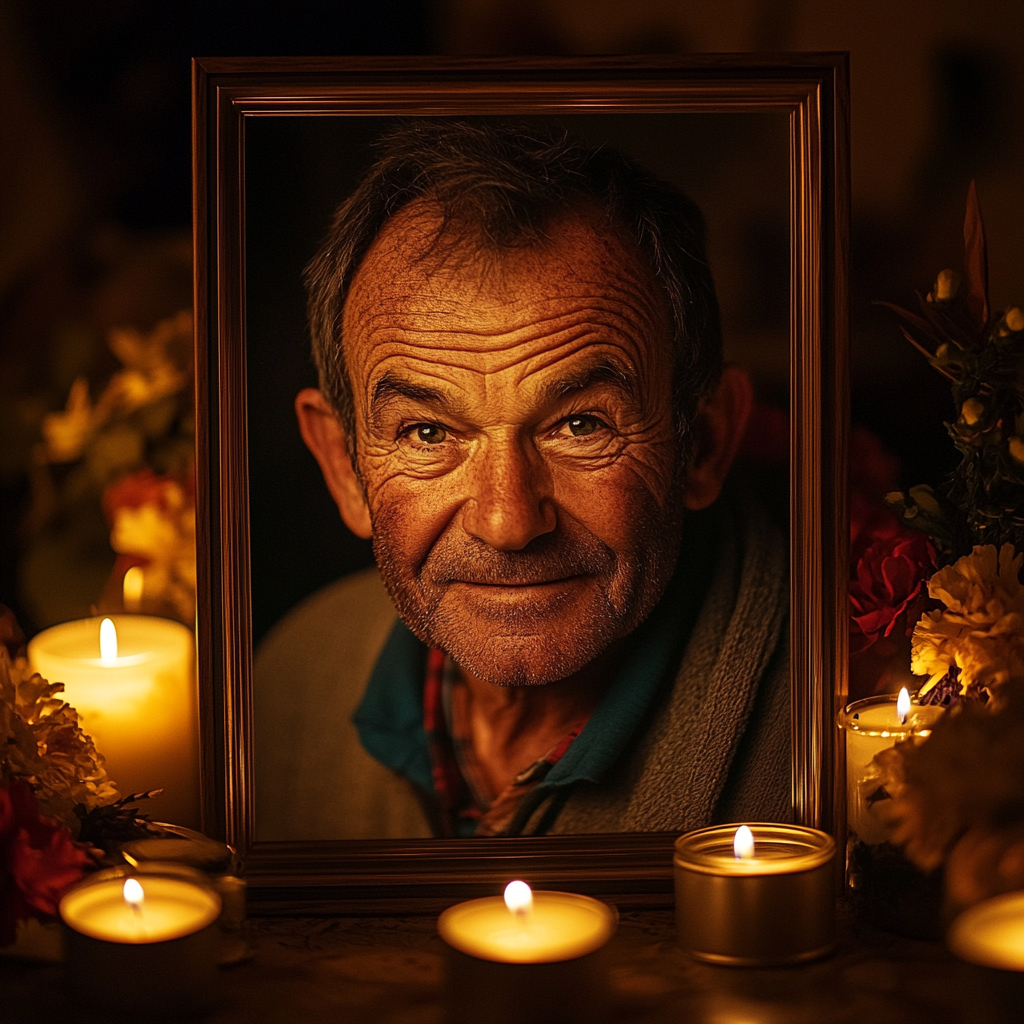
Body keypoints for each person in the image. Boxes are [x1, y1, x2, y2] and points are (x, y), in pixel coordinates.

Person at [254, 121, 789, 840]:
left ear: (706, 444)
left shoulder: (831, 733)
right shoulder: (289, 681)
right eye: (428, 433)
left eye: (580, 426)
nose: (507, 522)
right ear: (343, 465)